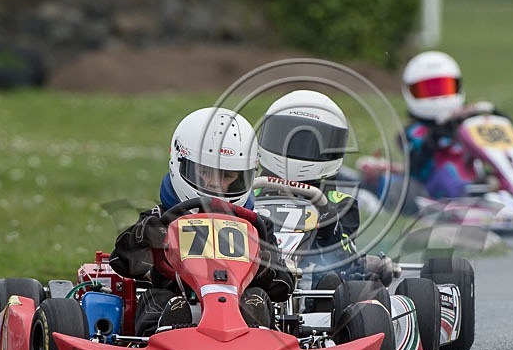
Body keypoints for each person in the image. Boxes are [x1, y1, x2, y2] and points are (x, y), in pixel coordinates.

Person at [109, 107, 293, 335]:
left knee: (257, 298)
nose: (215, 184)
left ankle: (257, 335)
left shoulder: (258, 227)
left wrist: (264, 266)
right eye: (206, 172)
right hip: (175, 305)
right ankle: (163, 333)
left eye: (227, 176)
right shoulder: (159, 219)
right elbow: (119, 261)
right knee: (159, 298)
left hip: (238, 314)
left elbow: (283, 287)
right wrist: (146, 237)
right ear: (181, 163)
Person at [254, 90, 360, 283]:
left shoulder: (340, 204)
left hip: (310, 286)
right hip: (256, 274)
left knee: (332, 279)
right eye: (287, 139)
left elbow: (346, 258)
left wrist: (330, 226)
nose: (296, 150)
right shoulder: (250, 194)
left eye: (307, 143)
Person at [401, 50, 506, 200]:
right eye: (429, 90)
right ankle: (474, 192)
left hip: (474, 178)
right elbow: (416, 163)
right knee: (447, 174)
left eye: (443, 87)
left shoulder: (465, 124)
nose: (437, 98)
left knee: (503, 171)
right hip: (434, 187)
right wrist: (437, 135)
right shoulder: (414, 132)